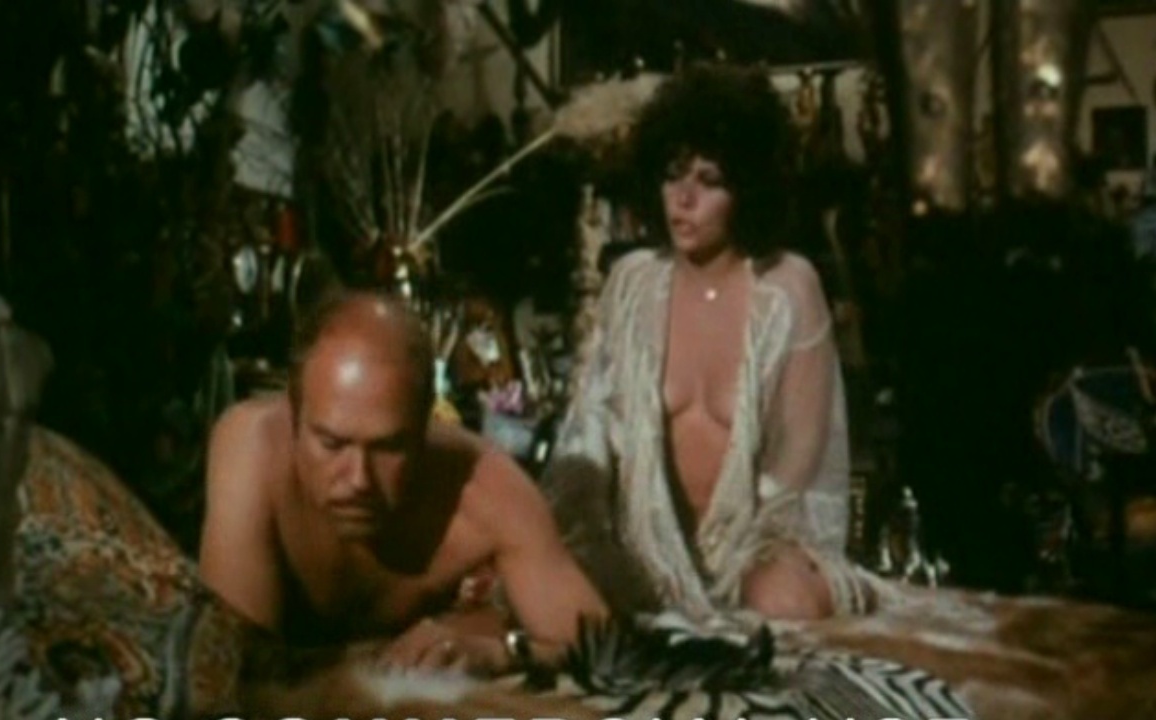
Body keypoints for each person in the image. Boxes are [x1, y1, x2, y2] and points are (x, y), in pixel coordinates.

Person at [542, 63, 872, 625]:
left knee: (783, 600)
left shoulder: (788, 288)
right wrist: (583, 539)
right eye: (672, 175)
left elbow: (803, 467)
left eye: (709, 180)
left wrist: (760, 562)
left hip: (756, 552)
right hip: (644, 554)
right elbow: (586, 433)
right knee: (563, 597)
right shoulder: (632, 283)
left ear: (748, 187)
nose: (684, 198)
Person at [198, 290, 607, 676]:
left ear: (425, 426)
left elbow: (604, 647)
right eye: (332, 444)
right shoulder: (251, 447)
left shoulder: (486, 487)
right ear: (293, 415)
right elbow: (236, 669)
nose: (359, 479)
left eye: (389, 448)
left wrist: (501, 651)